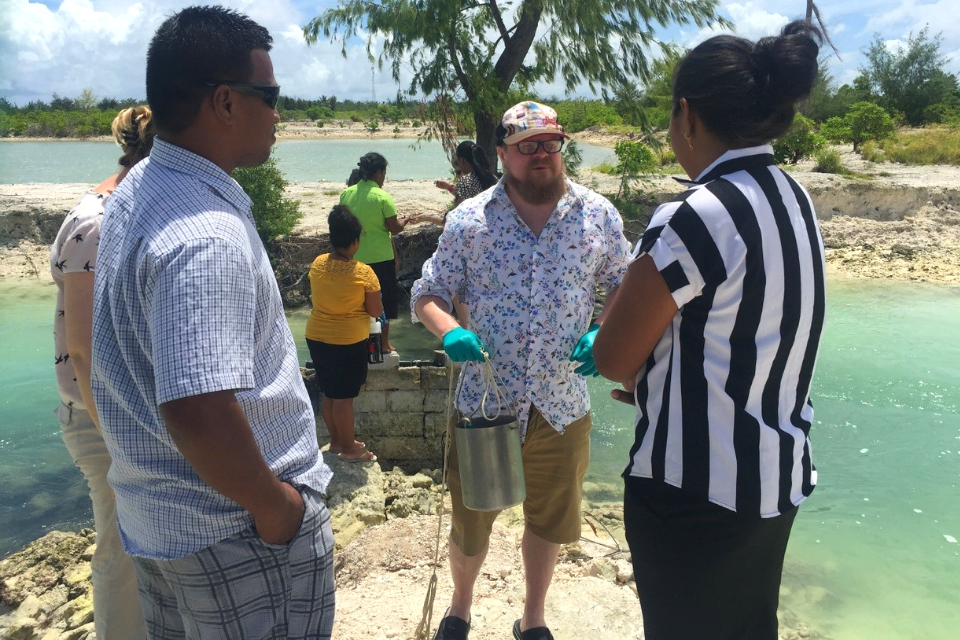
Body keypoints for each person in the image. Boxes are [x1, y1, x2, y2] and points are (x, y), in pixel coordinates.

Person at [90, 6, 334, 637]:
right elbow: (196, 405)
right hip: (236, 536)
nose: (279, 114)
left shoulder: (142, 188)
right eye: (271, 96)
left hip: (162, 526)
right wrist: (276, 509)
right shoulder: (206, 235)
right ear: (225, 102)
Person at [593, 20, 828, 640]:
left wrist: (644, 372)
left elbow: (615, 356)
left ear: (687, 116)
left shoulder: (698, 213)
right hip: (774, 475)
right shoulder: (794, 198)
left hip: (692, 490)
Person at [412, 100, 630, 640]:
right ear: (503, 153)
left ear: (562, 148)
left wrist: (605, 327)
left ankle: (532, 619)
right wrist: (448, 330)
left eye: (550, 144)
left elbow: (625, 281)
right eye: (527, 145)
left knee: (549, 522)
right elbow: (428, 292)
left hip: (561, 402)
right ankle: (460, 607)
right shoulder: (469, 220)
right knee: (471, 521)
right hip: (485, 404)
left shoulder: (598, 213)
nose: (541, 155)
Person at [50, 105, 153, 639]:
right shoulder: (99, 222)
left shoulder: (127, 206)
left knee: (139, 541)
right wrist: (120, 435)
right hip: (102, 415)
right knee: (120, 544)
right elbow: (84, 351)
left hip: (124, 408)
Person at [306, 204, 382, 463]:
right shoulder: (364, 272)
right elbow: (375, 310)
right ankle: (350, 449)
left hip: (316, 337)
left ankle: (337, 441)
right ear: (355, 241)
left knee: (329, 392)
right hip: (347, 341)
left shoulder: (317, 264)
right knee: (344, 399)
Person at [340, 151, 410, 354]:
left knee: (356, 302)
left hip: (354, 258)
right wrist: (404, 222)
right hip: (381, 258)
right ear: (379, 172)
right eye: (384, 172)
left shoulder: (347, 193)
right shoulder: (382, 196)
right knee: (383, 302)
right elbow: (393, 228)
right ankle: (384, 344)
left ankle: (357, 342)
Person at [429, 140, 499, 214]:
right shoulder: (492, 178)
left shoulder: (465, 181)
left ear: (462, 161)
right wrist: (448, 187)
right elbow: (470, 195)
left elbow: (460, 212)